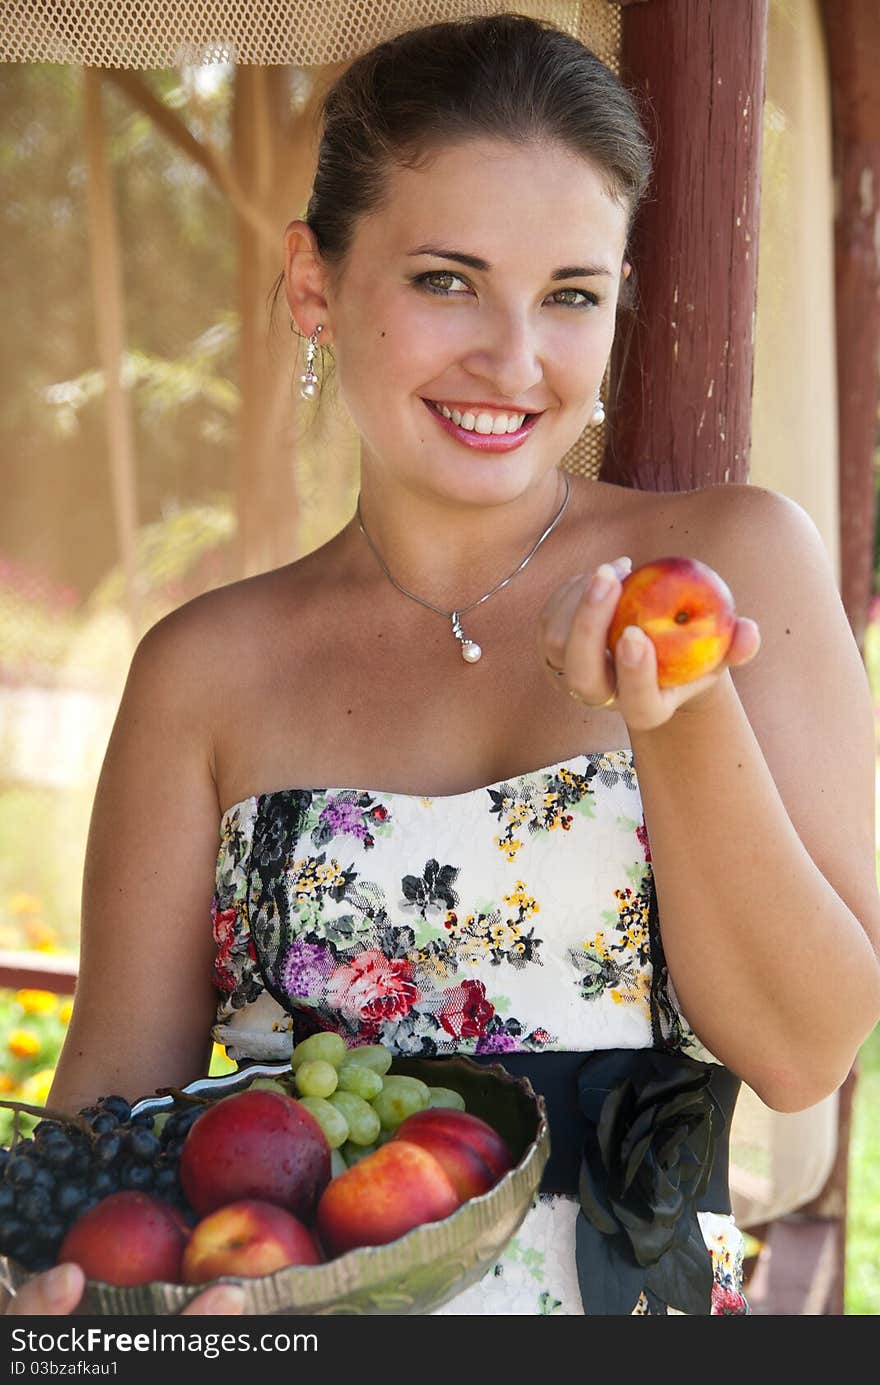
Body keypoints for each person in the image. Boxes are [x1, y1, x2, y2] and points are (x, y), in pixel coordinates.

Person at [8, 11, 880, 1316]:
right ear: (314, 283)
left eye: (571, 296)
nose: (514, 361)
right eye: (446, 280)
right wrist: (48, 1285)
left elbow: (807, 1048)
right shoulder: (203, 668)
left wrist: (679, 714)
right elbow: (109, 1127)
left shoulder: (736, 561)